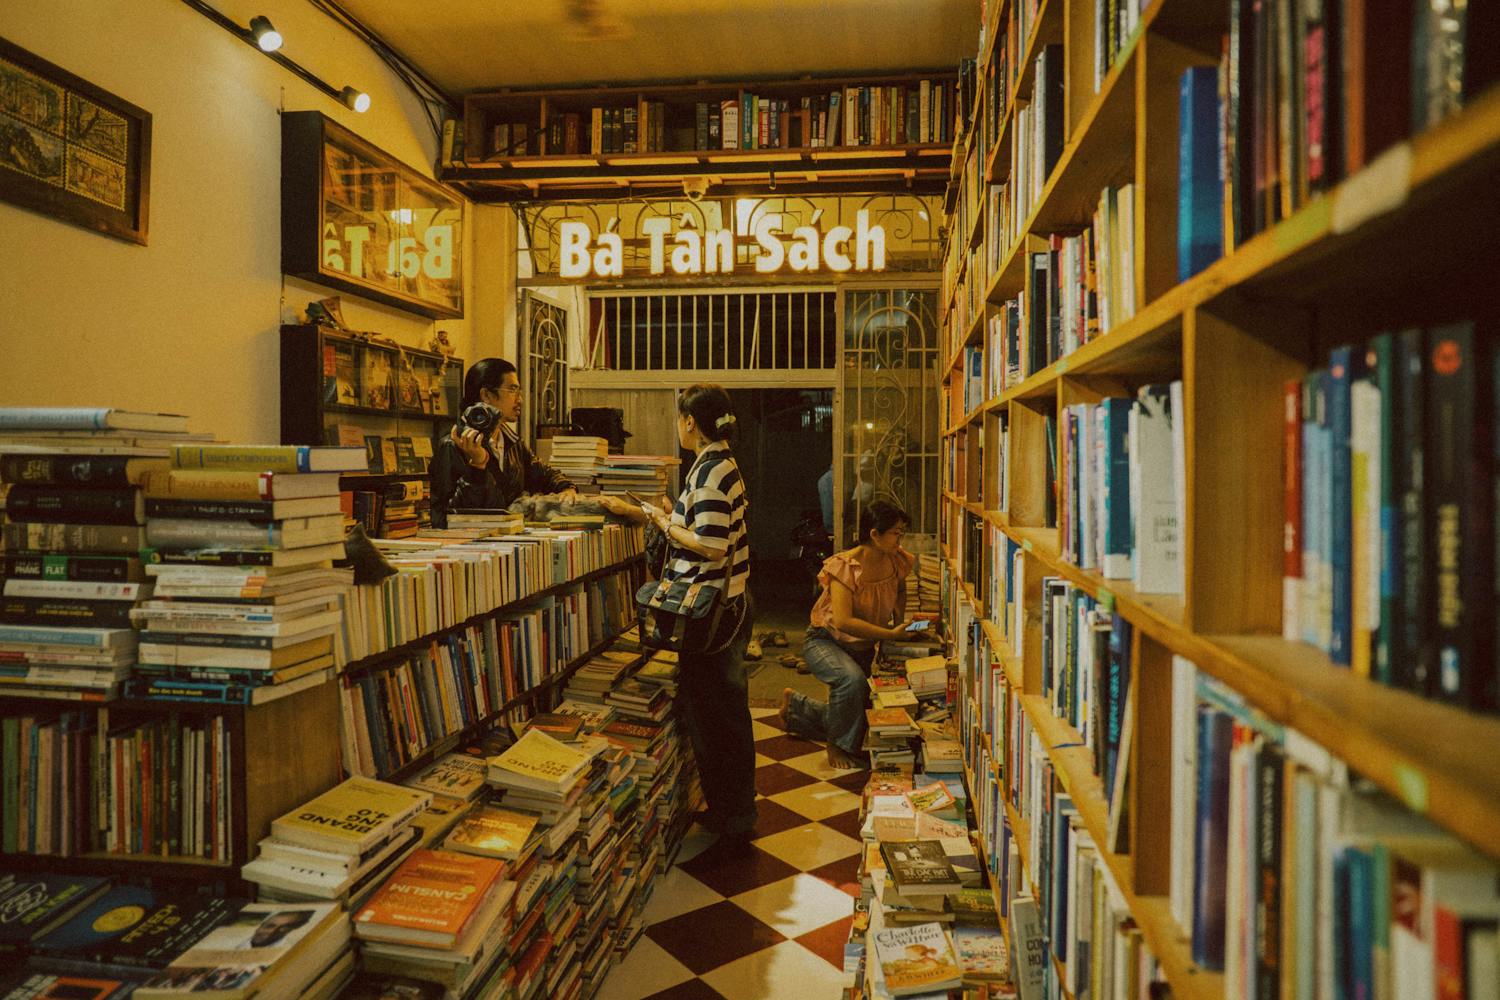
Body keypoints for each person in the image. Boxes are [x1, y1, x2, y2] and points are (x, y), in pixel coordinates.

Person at [599, 384, 756, 841]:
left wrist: (661, 522)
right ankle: (736, 808)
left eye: (679, 418)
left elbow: (711, 544)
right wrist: (667, 514)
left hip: (711, 612)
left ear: (690, 422)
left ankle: (732, 817)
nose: (678, 426)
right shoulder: (721, 462)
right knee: (727, 711)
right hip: (728, 603)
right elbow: (708, 526)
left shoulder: (708, 472)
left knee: (716, 716)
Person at [780, 498, 915, 769]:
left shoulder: (896, 559)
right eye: (896, 533)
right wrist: (890, 635)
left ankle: (796, 707)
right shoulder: (845, 566)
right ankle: (836, 746)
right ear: (874, 534)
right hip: (826, 641)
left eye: (902, 533)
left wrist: (900, 623)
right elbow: (843, 621)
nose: (900, 539)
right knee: (852, 683)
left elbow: (900, 588)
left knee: (859, 716)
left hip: (862, 647)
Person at [430, 358, 574, 527]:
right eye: (512, 390)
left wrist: (566, 488)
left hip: (511, 536)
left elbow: (543, 474)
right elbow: (447, 519)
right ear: (486, 395)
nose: (520, 400)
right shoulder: (453, 445)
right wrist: (477, 466)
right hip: (475, 540)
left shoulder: (513, 443)